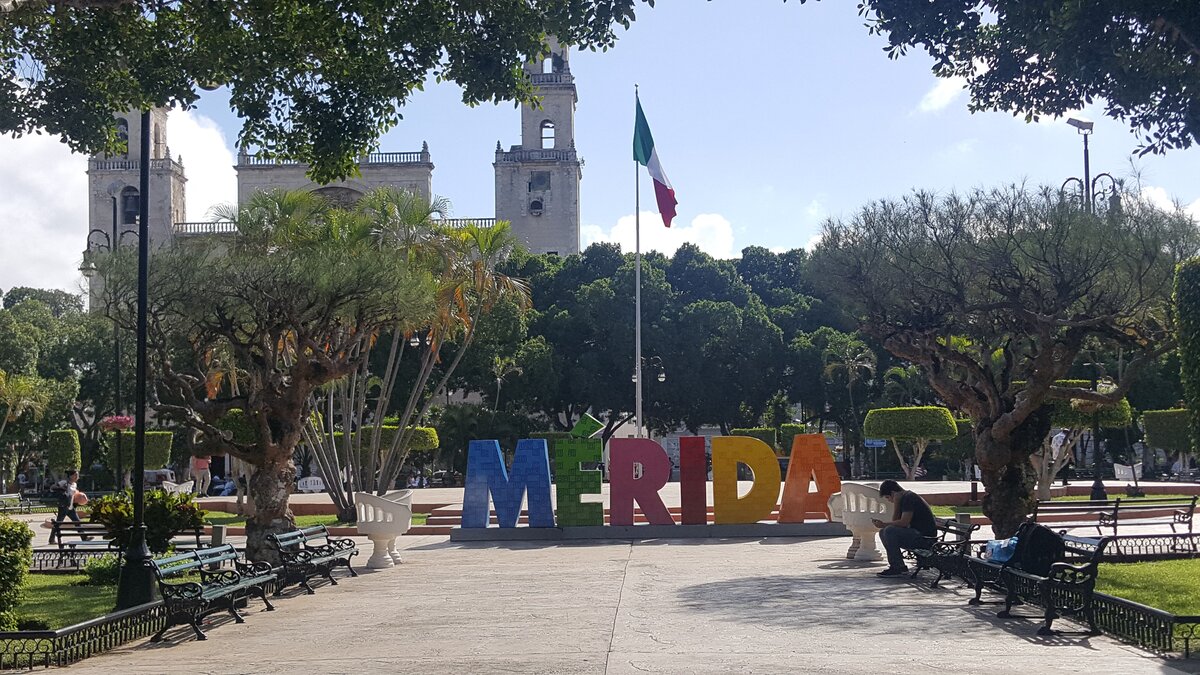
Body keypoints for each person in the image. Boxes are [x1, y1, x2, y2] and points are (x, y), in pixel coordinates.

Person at [871, 480, 936, 577]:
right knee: (883, 531)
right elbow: (896, 522)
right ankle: (897, 565)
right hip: (916, 534)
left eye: (888, 497)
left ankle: (898, 567)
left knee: (889, 531)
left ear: (893, 493)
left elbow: (903, 523)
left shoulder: (909, 498)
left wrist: (884, 524)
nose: (889, 500)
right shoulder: (904, 498)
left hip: (925, 538)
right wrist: (896, 504)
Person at [51, 469, 90, 542]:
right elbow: (52, 488)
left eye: (77, 475)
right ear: (71, 476)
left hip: (71, 507)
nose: (77, 476)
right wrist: (62, 490)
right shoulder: (64, 482)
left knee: (77, 522)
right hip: (63, 506)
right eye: (75, 475)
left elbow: (74, 494)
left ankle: (84, 537)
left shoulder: (74, 485)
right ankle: (51, 539)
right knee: (58, 523)